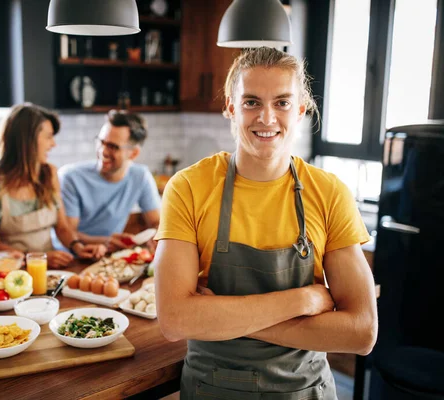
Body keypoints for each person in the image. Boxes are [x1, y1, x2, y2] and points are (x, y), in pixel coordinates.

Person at [153, 47, 378, 399]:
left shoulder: (330, 193)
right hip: (211, 388)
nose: (267, 118)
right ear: (230, 105)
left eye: (282, 103)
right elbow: (174, 320)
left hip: (305, 391)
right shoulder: (188, 187)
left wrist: (229, 321)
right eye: (252, 102)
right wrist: (302, 300)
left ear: (301, 108)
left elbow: (361, 332)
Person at [0, 103, 106, 268]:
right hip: (13, 273)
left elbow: (62, 228)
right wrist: (38, 259)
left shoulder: (50, 174)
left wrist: (78, 247)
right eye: (48, 137)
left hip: (51, 271)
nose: (53, 144)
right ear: (27, 140)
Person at [55, 110, 161, 252]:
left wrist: (154, 236)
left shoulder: (141, 176)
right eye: (101, 142)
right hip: (71, 258)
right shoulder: (70, 177)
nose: (103, 151)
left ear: (133, 153)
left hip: (108, 257)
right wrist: (106, 241)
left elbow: (156, 222)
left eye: (113, 146)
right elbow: (67, 232)